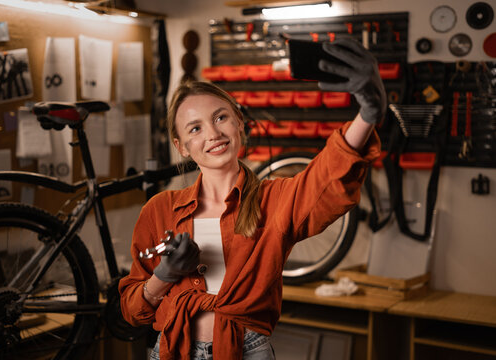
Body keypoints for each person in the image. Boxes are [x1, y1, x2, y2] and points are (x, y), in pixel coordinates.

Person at [119, 37, 385, 360]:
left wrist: (368, 113)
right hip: (172, 349)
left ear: (239, 123)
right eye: (195, 129)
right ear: (181, 146)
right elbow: (133, 311)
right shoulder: (159, 210)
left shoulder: (273, 202)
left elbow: (325, 181)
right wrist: (164, 275)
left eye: (220, 118)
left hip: (247, 351)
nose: (213, 134)